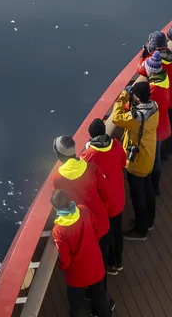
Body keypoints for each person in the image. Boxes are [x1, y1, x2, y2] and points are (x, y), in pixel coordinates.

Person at [108, 79, 158, 238]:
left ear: (137, 97)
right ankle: (149, 222)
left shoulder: (137, 118)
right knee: (148, 190)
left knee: (138, 196)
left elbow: (116, 118)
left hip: (137, 161)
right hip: (149, 155)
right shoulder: (154, 107)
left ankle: (141, 230)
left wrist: (123, 95)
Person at [52, 135, 108, 278]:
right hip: (100, 221)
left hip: (82, 229)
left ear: (58, 154)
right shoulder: (92, 168)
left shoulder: (58, 178)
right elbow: (105, 192)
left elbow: (62, 203)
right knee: (103, 256)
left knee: (92, 261)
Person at [50, 189, 109, 317]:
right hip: (95, 265)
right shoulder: (83, 210)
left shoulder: (59, 230)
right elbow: (98, 230)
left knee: (76, 304)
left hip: (77, 274)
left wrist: (63, 267)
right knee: (100, 295)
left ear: (55, 208)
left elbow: (65, 257)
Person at [82, 119, 126, 274]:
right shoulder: (116, 145)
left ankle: (109, 263)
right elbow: (123, 162)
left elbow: (84, 179)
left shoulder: (88, 155)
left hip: (103, 204)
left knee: (106, 235)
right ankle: (118, 261)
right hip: (118, 198)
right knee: (117, 230)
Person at [142, 52, 172, 181]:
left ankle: (155, 185)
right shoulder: (163, 78)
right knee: (159, 150)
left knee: (155, 159)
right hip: (163, 122)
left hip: (157, 127)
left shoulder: (154, 89)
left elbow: (146, 104)